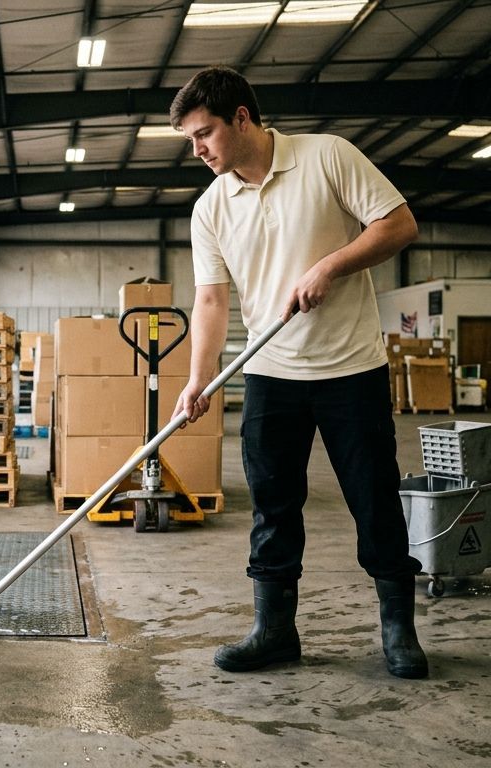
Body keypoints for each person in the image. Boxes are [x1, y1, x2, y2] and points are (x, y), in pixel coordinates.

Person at [169, 66, 428, 679]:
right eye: (189, 141)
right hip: (270, 372)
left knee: (374, 500)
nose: (198, 150)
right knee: (273, 506)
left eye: (204, 134)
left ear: (241, 118)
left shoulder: (327, 158)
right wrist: (198, 377)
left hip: (350, 370)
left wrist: (330, 267)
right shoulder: (210, 208)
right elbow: (211, 301)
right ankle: (275, 631)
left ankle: (399, 631)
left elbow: (398, 224)